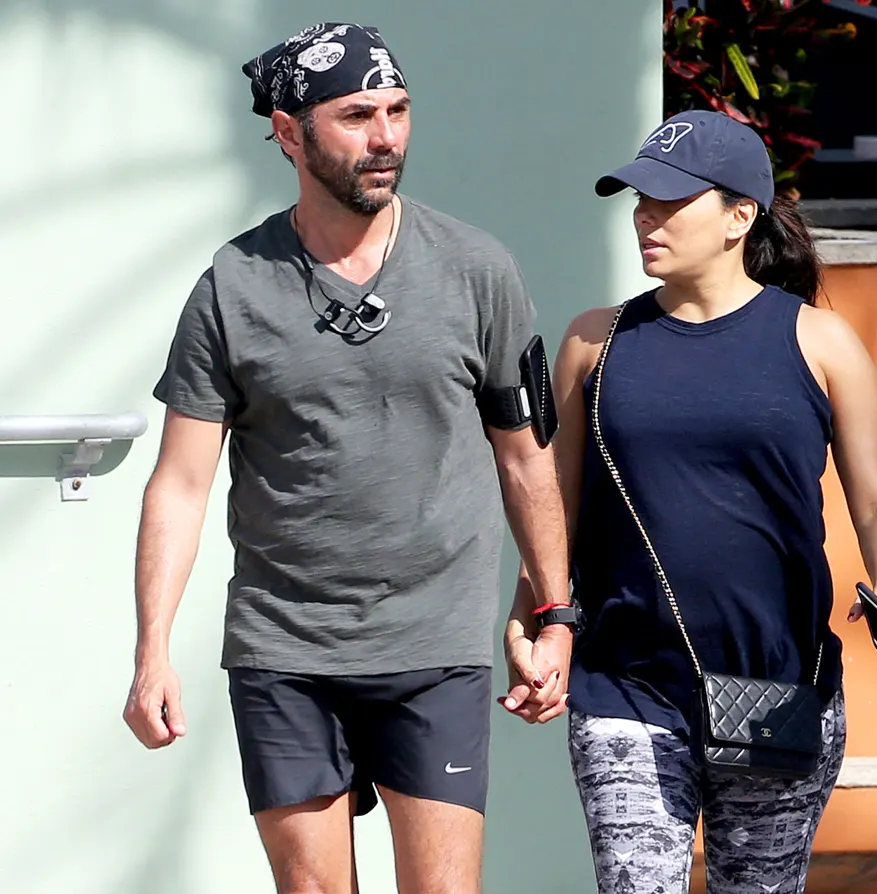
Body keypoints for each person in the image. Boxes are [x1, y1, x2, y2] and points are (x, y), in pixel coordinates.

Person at [122, 22, 573, 894]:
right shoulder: (233, 284)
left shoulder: (478, 270)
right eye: (358, 114)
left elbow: (526, 461)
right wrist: (152, 653)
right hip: (284, 646)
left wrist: (555, 614)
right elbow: (179, 485)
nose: (387, 137)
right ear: (289, 132)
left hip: (433, 641)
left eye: (399, 111)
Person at [501, 110, 877, 894]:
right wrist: (537, 618)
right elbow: (553, 503)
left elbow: (875, 505)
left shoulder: (820, 342)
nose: (644, 218)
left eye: (669, 201)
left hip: (778, 691)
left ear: (738, 216)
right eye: (638, 200)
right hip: (625, 685)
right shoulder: (595, 341)